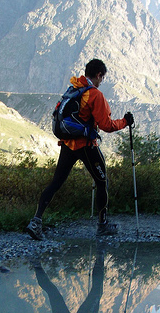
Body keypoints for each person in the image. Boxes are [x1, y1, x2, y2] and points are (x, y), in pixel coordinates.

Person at [26, 58, 133, 240]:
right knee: (102, 181)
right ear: (98, 75)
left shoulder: (74, 88)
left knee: (56, 183)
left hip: (68, 144)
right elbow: (106, 125)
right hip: (86, 145)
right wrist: (125, 122)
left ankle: (36, 221)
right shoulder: (95, 95)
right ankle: (102, 225)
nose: (101, 82)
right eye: (102, 78)